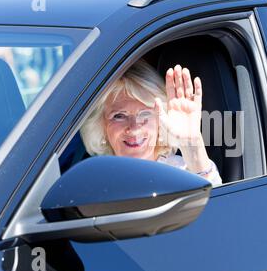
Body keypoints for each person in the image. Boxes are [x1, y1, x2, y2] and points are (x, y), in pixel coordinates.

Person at [80, 59, 222, 186]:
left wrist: (192, 147)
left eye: (145, 113)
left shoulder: (184, 173)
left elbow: (218, 210)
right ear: (101, 125)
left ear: (161, 122)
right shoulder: (90, 182)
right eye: (119, 116)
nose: (134, 128)